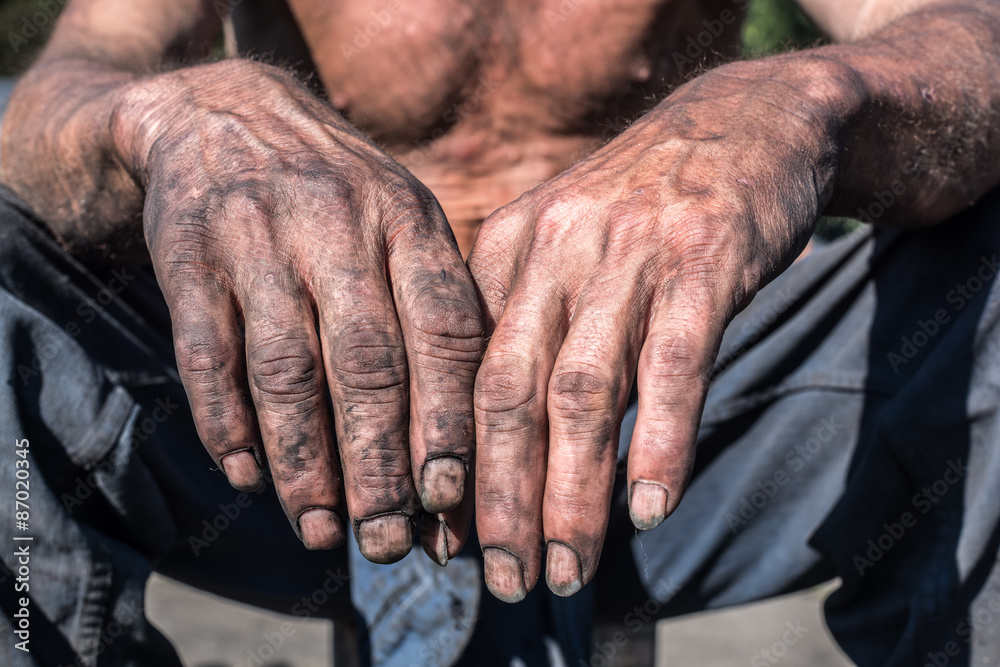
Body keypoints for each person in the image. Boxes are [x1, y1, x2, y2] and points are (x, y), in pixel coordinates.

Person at [2, 0, 1000, 664]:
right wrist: (171, 114)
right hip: (285, 420)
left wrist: (799, 97)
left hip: (671, 418)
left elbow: (971, 31)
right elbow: (60, 91)